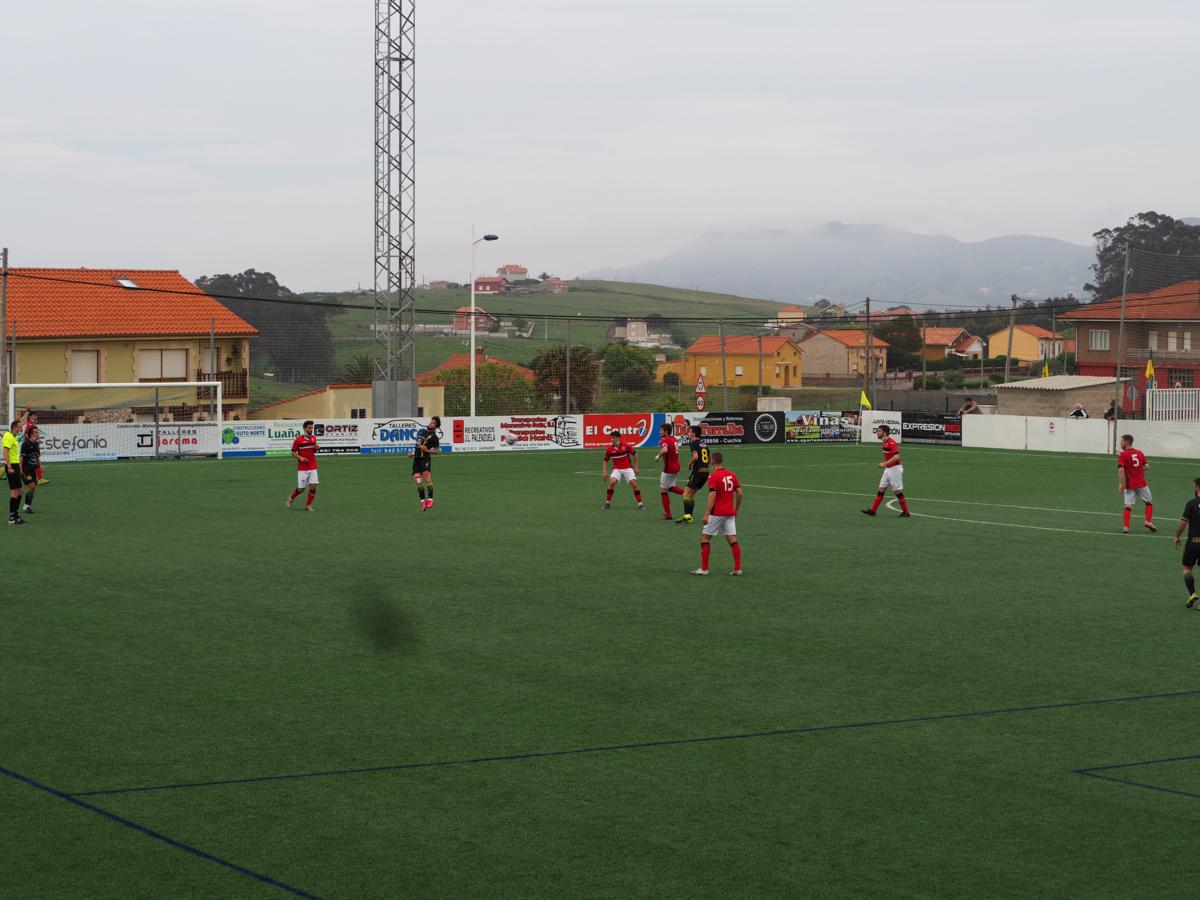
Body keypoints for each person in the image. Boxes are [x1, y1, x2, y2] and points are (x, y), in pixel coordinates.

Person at [692, 450, 743, 576]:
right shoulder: (732, 474)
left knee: (705, 538)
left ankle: (704, 569)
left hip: (717, 513)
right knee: (732, 539)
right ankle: (737, 569)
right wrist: (736, 509)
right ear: (722, 461)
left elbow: (712, 495)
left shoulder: (713, 476)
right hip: (729, 513)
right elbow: (740, 494)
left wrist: (707, 513)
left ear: (712, 461)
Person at [862, 423, 910, 518]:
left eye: (879, 431)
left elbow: (897, 457)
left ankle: (906, 512)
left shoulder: (891, 443)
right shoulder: (885, 442)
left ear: (885, 433)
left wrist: (884, 464)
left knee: (897, 491)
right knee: (881, 489)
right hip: (888, 469)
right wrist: (886, 465)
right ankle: (873, 511)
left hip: (895, 469)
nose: (877, 433)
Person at [1116, 434, 1155, 533]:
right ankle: (1148, 522)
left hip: (1129, 485)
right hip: (1141, 483)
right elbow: (1147, 467)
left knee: (1128, 506)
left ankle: (1126, 527)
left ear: (1127, 442)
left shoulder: (1122, 455)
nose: (1120, 443)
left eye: (1122, 441)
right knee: (1149, 502)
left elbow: (1121, 470)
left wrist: (1121, 484)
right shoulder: (1139, 453)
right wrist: (1137, 470)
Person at [676, 424, 710, 524]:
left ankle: (687, 516)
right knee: (691, 494)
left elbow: (695, 457)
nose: (688, 433)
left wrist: (690, 464)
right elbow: (708, 458)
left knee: (686, 494)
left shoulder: (694, 443)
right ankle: (689, 516)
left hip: (698, 472)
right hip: (705, 472)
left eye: (689, 431)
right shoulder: (704, 444)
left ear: (694, 433)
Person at [1174, 478, 1200, 608]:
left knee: (1187, 568)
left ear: (1197, 488)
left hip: (1192, 543)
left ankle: (1192, 593)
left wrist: (1177, 536)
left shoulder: (1191, 503)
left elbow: (1183, 524)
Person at [602, 429, 643, 510]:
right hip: (617, 469)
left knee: (634, 484)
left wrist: (636, 467)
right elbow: (605, 460)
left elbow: (635, 454)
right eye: (611, 438)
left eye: (613, 437)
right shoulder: (609, 449)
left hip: (628, 468)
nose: (612, 439)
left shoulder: (626, 446)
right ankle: (607, 503)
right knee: (612, 482)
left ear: (618, 438)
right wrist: (605, 473)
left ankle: (640, 504)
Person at [654, 423, 685, 520]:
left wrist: (658, 456)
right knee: (670, 487)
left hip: (669, 469)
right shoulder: (674, 439)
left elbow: (665, 450)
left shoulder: (665, 439)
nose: (660, 432)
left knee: (663, 490)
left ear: (666, 431)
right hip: (676, 466)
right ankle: (686, 493)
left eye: (661, 430)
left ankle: (668, 514)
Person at [286, 420, 319, 511]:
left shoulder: (314, 438)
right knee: (301, 489)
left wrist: (316, 448)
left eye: (312, 428)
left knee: (313, 486)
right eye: (309, 428)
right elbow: (293, 452)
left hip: (312, 466)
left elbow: (313, 451)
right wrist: (300, 457)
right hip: (302, 468)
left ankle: (308, 505)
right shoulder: (298, 440)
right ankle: (290, 499)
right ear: (305, 429)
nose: (311, 429)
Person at [413, 416, 441, 511]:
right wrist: (412, 453)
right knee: (417, 479)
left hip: (425, 459)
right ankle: (422, 501)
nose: (430, 423)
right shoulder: (422, 432)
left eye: (433, 423)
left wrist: (427, 450)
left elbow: (437, 451)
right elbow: (418, 446)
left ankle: (430, 499)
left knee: (426, 477)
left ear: (435, 427)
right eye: (431, 421)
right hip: (416, 459)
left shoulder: (434, 437)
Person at [4, 420, 26, 525]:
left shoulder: (12, 437)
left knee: (20, 491)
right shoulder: (8, 436)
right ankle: (12, 517)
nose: (20, 430)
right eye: (19, 428)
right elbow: (5, 452)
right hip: (11, 466)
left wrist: (19, 469)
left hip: (15, 466)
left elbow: (21, 422)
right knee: (14, 491)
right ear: (15, 428)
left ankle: (15, 514)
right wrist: (9, 466)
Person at [19, 425, 40, 515]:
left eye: (37, 432)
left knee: (33, 488)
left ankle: (27, 505)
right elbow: (21, 457)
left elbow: (37, 456)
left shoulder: (36, 444)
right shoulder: (25, 444)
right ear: (31, 434)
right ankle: (26, 505)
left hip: (32, 470)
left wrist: (40, 465)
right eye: (36, 432)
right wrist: (20, 469)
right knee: (32, 486)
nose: (38, 434)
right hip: (26, 470)